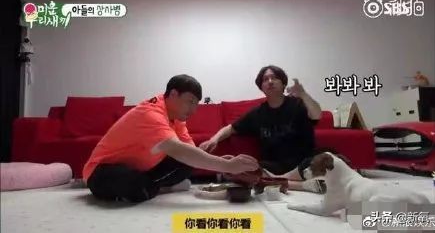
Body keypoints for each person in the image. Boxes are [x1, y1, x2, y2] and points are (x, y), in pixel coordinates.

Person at [83, 75, 259, 203]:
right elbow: (177, 149)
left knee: (187, 163)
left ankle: (151, 187)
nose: (194, 110)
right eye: (190, 102)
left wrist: (220, 162)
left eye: (196, 104)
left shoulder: (176, 116)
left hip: (140, 170)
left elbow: (190, 151)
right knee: (135, 186)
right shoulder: (151, 114)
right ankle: (156, 187)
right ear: (173, 94)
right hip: (100, 172)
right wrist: (228, 166)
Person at [200, 65, 325, 193]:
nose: (270, 81)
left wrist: (303, 94)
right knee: (243, 169)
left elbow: (317, 115)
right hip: (273, 166)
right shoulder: (257, 113)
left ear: (283, 84)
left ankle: (276, 181)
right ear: (262, 87)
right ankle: (300, 184)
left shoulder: (298, 104)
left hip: (303, 163)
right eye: (265, 79)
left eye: (274, 78)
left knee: (327, 159)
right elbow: (231, 128)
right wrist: (214, 139)